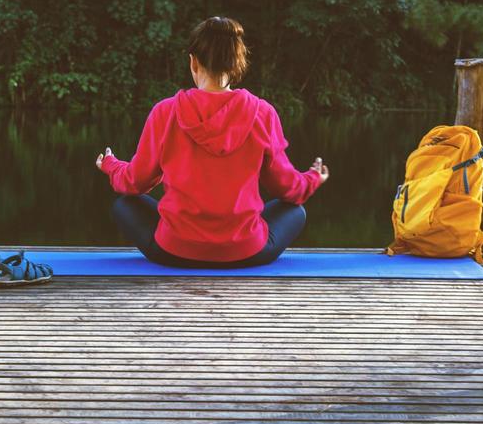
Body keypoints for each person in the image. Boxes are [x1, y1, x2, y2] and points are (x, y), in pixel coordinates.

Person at [95, 16, 329, 268]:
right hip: (246, 251)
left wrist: (111, 165)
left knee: (124, 204)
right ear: (236, 65)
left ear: (193, 62)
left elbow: (135, 182)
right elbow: (287, 189)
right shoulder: (263, 113)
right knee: (295, 211)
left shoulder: (165, 112)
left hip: (175, 251)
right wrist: (313, 178)